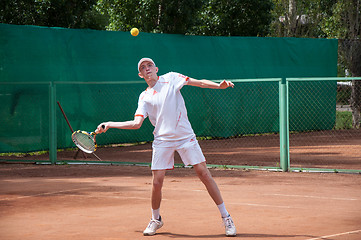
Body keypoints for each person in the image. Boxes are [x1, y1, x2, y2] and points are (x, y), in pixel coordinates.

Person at [96, 57, 236, 237]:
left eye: (149, 65)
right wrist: (110, 124)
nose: (147, 68)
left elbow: (199, 82)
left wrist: (219, 86)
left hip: (185, 136)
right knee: (157, 181)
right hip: (162, 139)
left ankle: (226, 218)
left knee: (203, 173)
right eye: (143, 68)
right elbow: (137, 123)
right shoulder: (144, 96)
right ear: (140, 75)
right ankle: (156, 219)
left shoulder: (171, 78)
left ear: (156, 68)